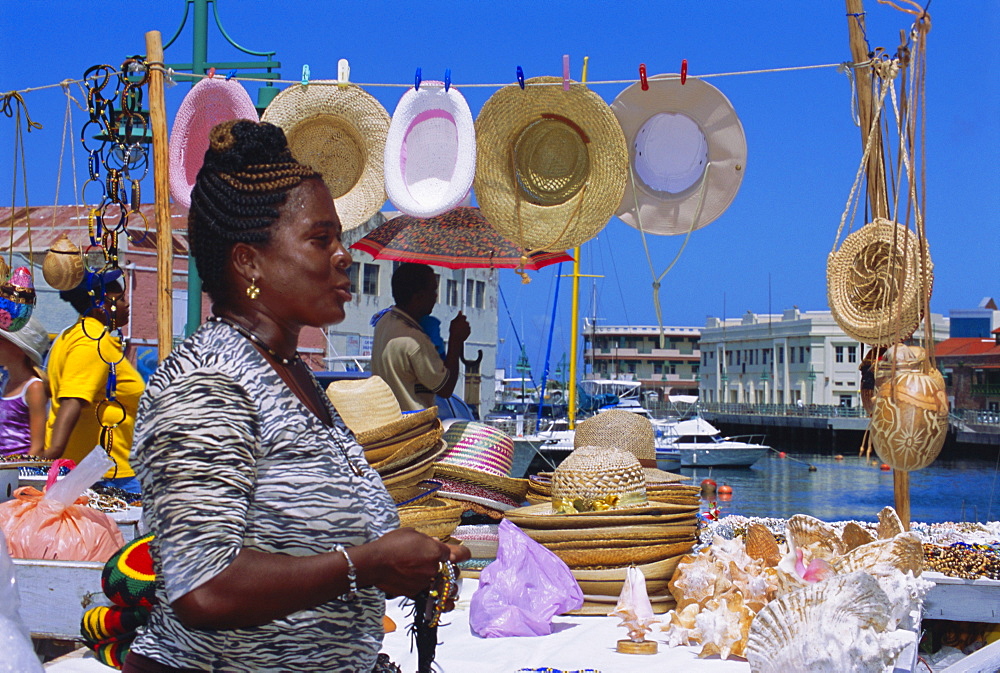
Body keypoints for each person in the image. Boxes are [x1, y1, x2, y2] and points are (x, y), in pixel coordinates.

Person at [125, 120, 468, 673]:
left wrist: (411, 564)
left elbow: (326, 546)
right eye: (321, 238)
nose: (344, 256)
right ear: (248, 262)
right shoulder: (208, 383)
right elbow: (205, 588)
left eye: (340, 238)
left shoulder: (298, 379)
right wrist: (367, 564)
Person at [37, 270, 143, 494]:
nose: (127, 305)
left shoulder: (76, 336)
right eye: (120, 298)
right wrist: (47, 459)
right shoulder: (91, 342)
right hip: (104, 477)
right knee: (145, 530)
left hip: (99, 471)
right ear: (99, 304)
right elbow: (73, 400)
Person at [371, 263, 471, 411]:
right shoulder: (414, 341)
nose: (436, 296)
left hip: (389, 421)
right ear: (419, 297)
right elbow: (445, 388)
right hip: (413, 427)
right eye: (433, 290)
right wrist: (455, 339)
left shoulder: (384, 322)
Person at [0, 316, 50, 457]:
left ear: (20, 349)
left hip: (17, 470)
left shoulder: (33, 388)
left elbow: (37, 447)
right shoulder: (6, 383)